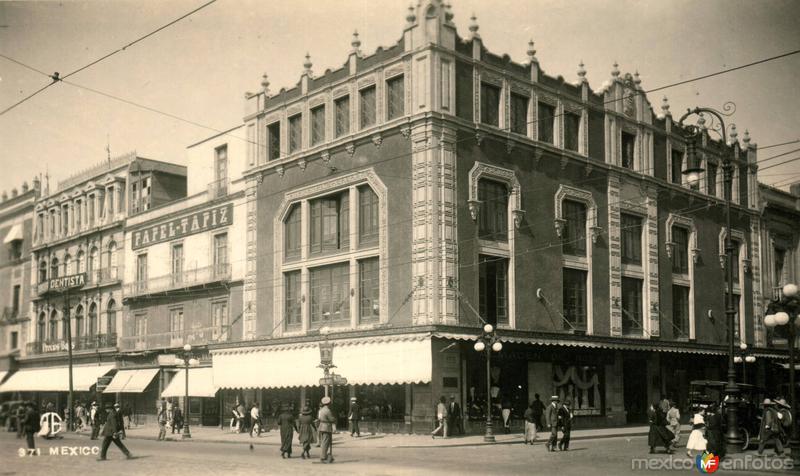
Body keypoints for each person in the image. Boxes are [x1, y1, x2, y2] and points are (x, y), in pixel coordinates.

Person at [318, 396, 336, 464]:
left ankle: (324, 456)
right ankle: (323, 457)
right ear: (328, 403)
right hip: (326, 427)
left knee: (324, 442)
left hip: (322, 426)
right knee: (325, 443)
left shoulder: (321, 410)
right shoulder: (328, 411)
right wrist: (334, 419)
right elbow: (331, 419)